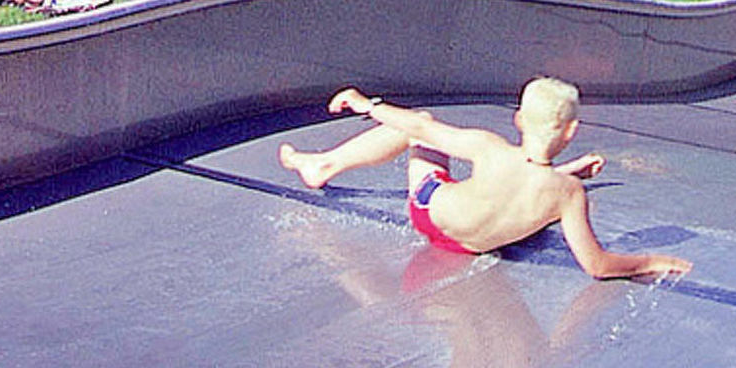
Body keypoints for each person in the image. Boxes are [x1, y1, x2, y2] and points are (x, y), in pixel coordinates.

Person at [277, 78, 691, 280]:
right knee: (533, 197)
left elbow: (422, 131)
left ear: (517, 120)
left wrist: (367, 104)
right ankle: (322, 166)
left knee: (418, 123)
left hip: (429, 212)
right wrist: (652, 260)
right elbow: (598, 266)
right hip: (468, 247)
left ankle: (323, 165)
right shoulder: (567, 194)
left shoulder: (490, 148)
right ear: (570, 132)